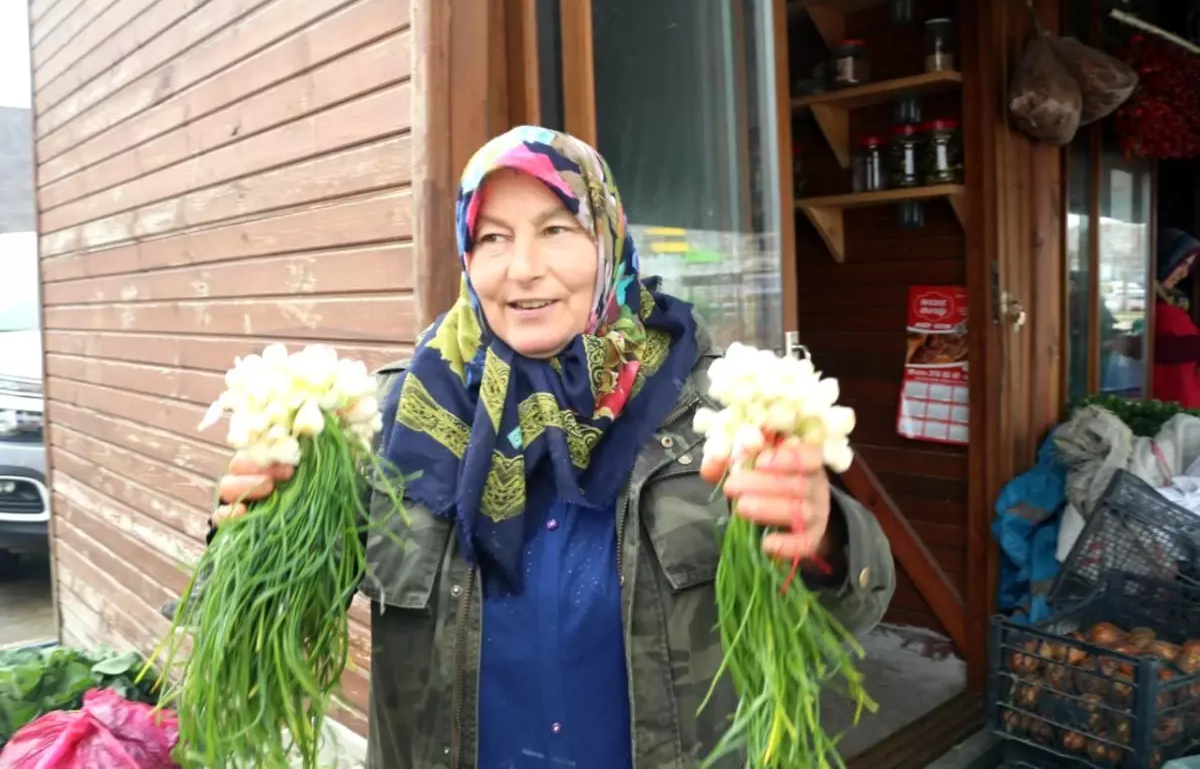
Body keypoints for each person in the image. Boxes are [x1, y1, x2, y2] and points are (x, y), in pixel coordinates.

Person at [209, 126, 895, 768]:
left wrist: (828, 540)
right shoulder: (397, 418)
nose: (522, 269)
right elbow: (276, 616)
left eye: (556, 229)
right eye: (494, 238)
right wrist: (250, 534)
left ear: (607, 237)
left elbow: (852, 609)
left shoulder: (715, 405)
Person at [1152, 227, 1200, 407]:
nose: (1185, 274)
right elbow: (1163, 348)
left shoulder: (1172, 302)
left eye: (1189, 267)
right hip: (1171, 410)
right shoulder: (1153, 307)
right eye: (1183, 263)